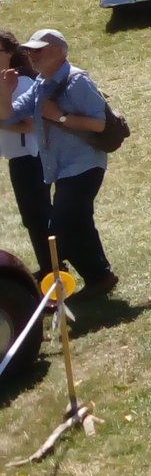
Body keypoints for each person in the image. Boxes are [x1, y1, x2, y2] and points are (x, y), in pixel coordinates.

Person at [7, 31, 116, 295]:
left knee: (60, 228)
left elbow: (99, 123)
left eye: (38, 51)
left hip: (85, 163)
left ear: (58, 51)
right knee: (78, 222)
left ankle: (97, 276)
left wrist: (60, 117)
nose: (32, 56)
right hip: (62, 167)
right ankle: (100, 277)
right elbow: (9, 117)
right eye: (30, 51)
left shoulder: (78, 80)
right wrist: (4, 92)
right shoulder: (40, 84)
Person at [1, 31, 49, 278]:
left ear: (10, 54)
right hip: (16, 158)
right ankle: (49, 265)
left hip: (30, 158)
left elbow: (30, 124)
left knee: (38, 214)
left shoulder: (22, 83)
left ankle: (54, 267)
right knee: (31, 216)